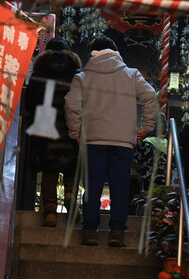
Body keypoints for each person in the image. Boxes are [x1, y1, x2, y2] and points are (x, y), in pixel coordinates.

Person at [65, 36, 157, 247]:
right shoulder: (132, 75)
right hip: (123, 142)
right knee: (120, 188)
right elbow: (151, 97)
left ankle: (90, 231)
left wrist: (76, 132)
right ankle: (116, 232)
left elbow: (71, 105)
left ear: (93, 54)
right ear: (116, 52)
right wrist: (146, 127)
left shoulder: (82, 77)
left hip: (92, 141)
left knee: (92, 188)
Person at [24, 38, 82, 227]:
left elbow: (29, 103)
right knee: (72, 166)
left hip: (45, 126)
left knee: (49, 168)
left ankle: (50, 213)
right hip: (69, 125)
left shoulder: (38, 73)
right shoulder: (77, 74)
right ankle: (70, 195)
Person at [133, 113, 169, 192]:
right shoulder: (169, 143)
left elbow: (136, 159)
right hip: (166, 179)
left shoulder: (146, 142)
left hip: (148, 180)